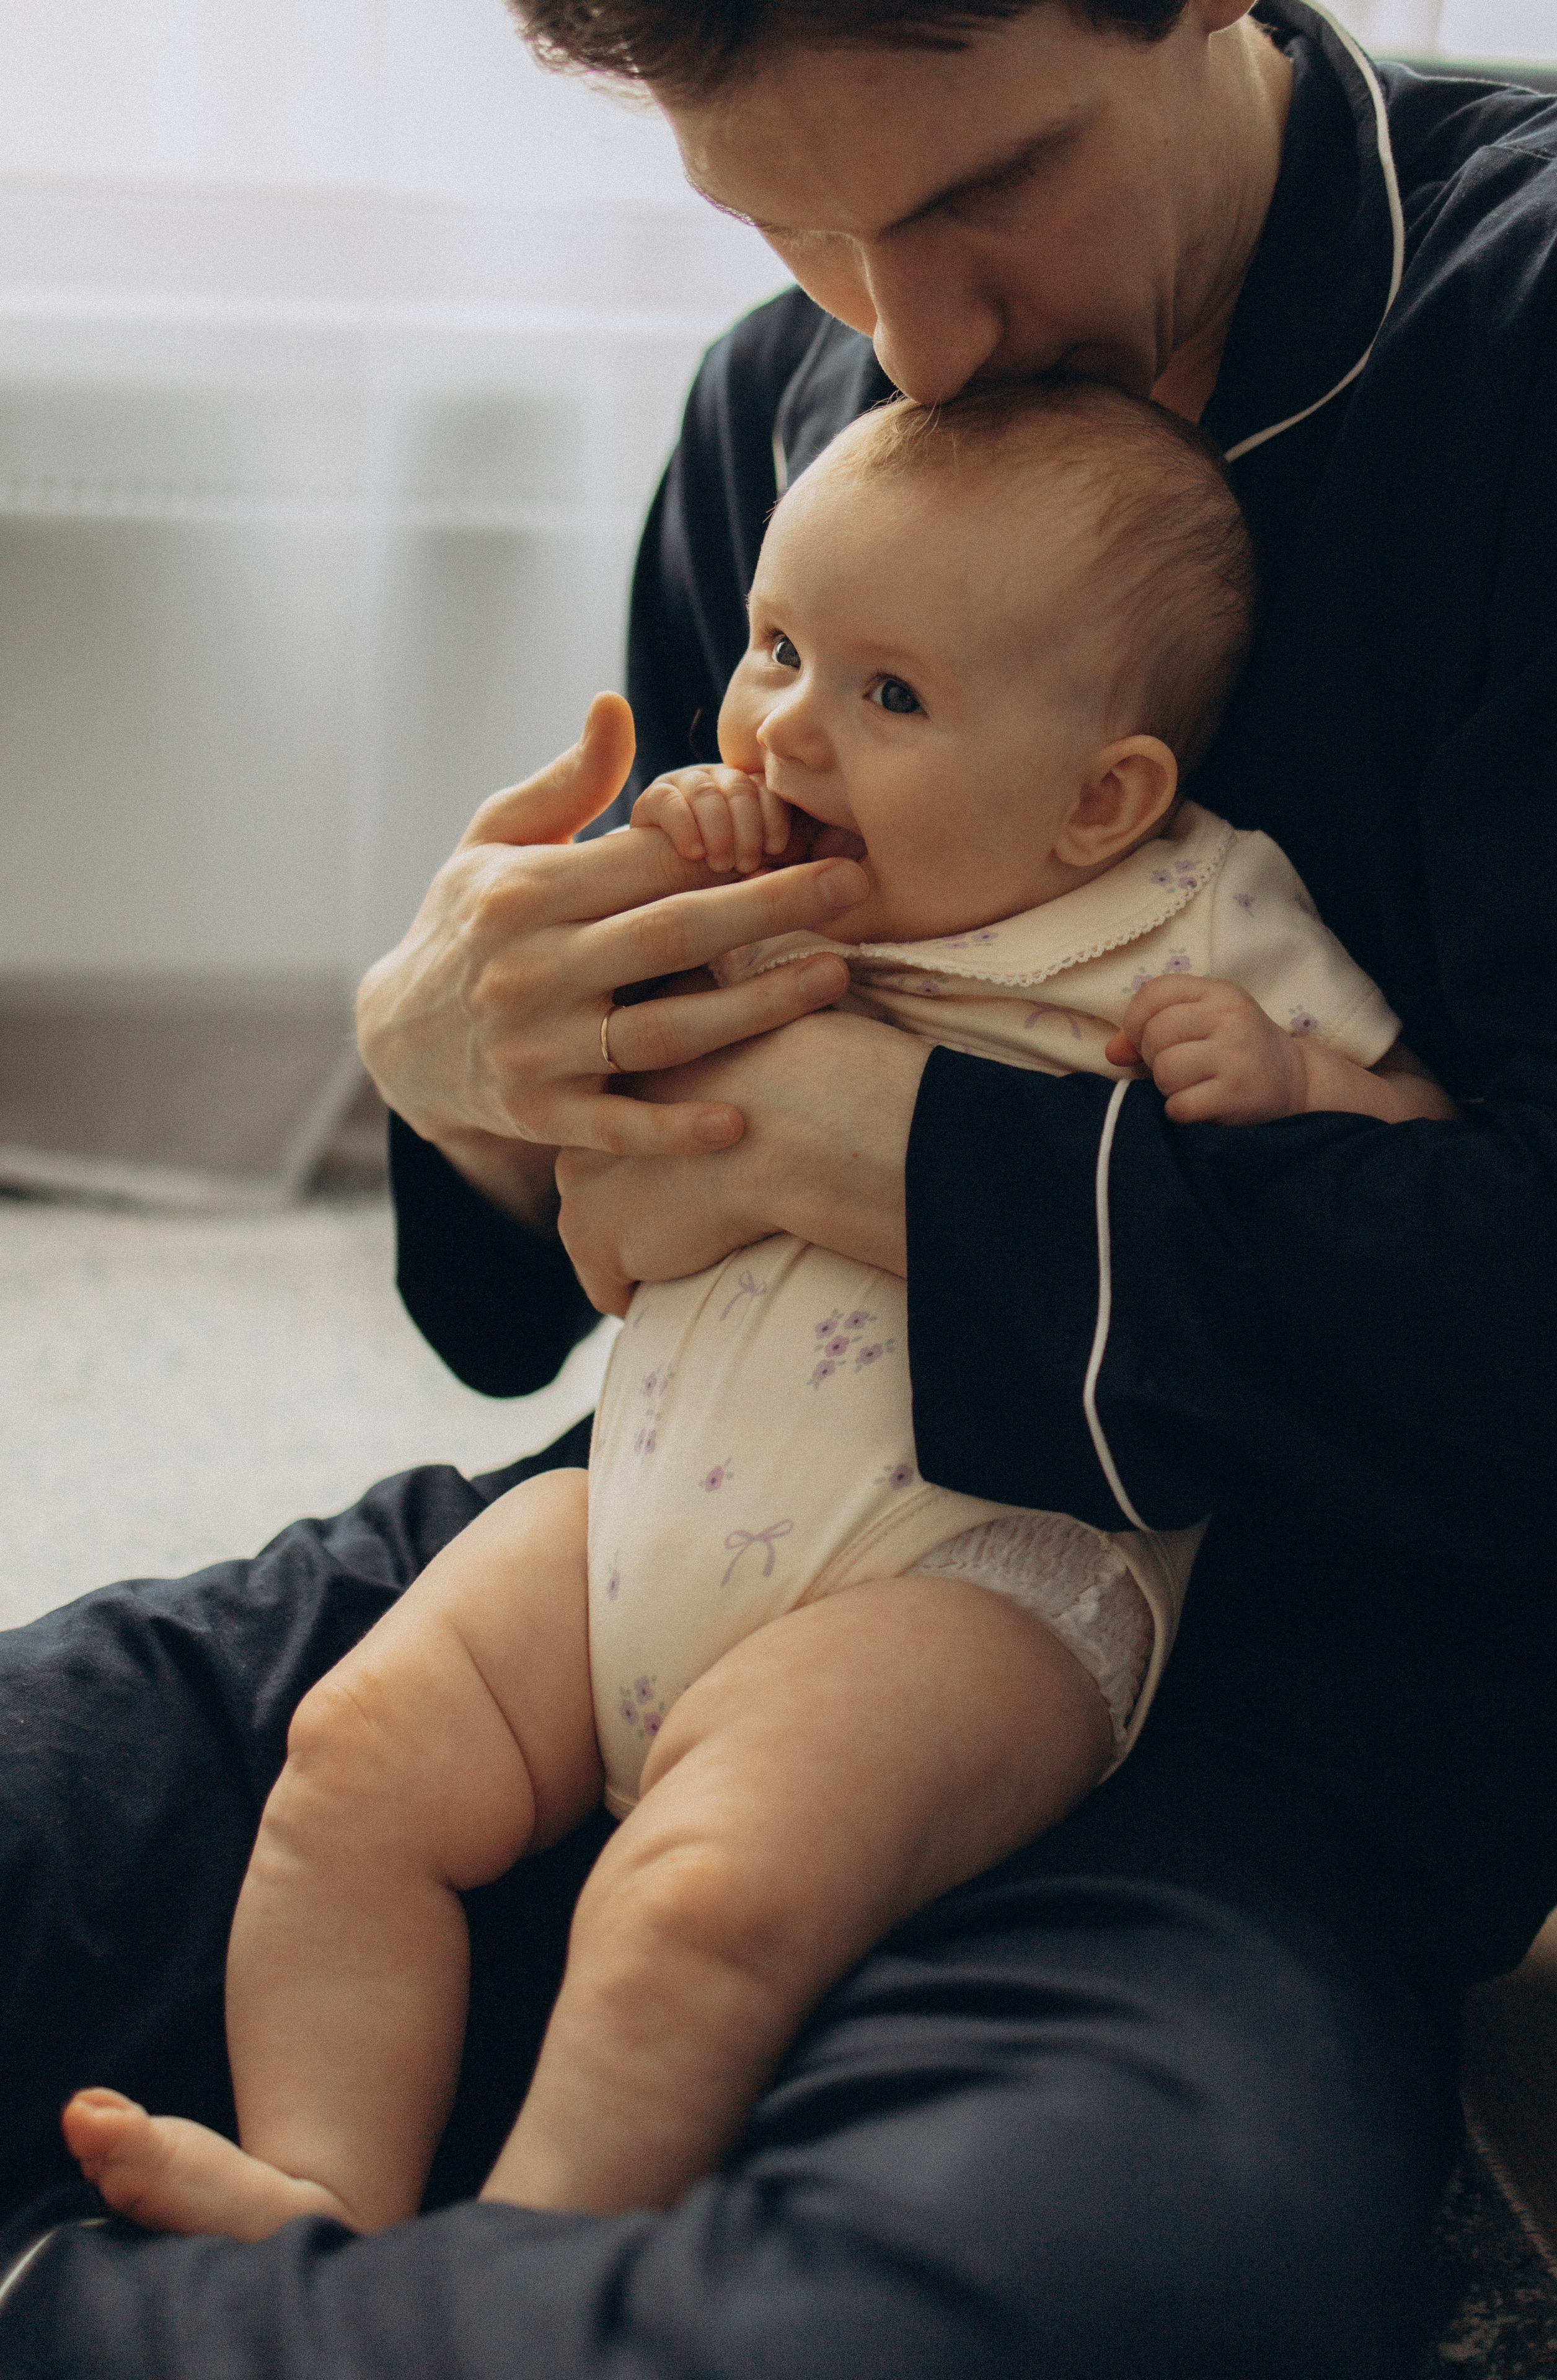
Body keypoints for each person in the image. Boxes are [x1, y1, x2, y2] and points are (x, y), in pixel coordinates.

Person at [2, 2, 1557, 2371]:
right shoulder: (792, 389)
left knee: (1033, 2302)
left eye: (983, 190)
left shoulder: (1543, 328)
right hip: (672, 1528)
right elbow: (558, 1290)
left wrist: (906, 1152)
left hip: (1228, 1733)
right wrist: (467, 1075)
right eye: (794, 225)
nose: (908, 338)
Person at [55, 381, 1458, 2244]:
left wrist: (1290, 1082)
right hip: (629, 1511)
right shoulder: (754, 875)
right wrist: (510, 985)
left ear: (1099, 798)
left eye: (888, 697)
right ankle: (318, 2192)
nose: (788, 722)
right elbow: (551, 1166)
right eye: (777, 647)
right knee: (352, 1761)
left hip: (972, 1577)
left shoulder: (1190, 911)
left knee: (697, 1902)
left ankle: (511, 2271)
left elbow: (1431, 1166)